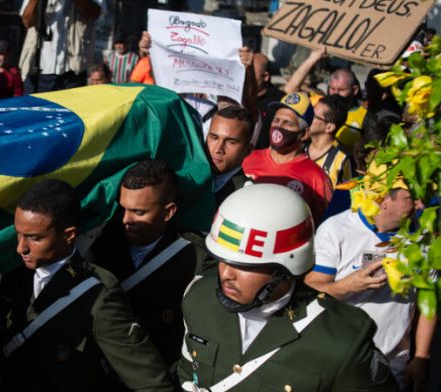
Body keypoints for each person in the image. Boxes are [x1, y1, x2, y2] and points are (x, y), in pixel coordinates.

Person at [177, 183, 399, 391]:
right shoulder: (199, 298)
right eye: (223, 260)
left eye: (245, 266)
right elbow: (189, 374)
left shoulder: (343, 341)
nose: (226, 274)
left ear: (286, 266)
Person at [0, 179, 173, 391]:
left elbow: (152, 384)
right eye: (18, 234)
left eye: (34, 238)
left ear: (68, 235)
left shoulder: (98, 295)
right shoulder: (9, 275)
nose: (21, 248)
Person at [305, 187, 436, 389]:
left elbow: (428, 301)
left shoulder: (424, 238)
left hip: (392, 364)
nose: (420, 204)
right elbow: (309, 292)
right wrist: (347, 285)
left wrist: (421, 356)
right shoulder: (337, 229)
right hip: (336, 360)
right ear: (384, 199)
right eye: (411, 198)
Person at [88, 160, 208, 367]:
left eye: (139, 212)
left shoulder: (194, 257)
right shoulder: (97, 243)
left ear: (168, 212)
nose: (126, 219)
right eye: (123, 208)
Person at [242, 92, 333, 223]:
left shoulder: (316, 178)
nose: (278, 127)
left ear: (304, 134)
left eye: (288, 123)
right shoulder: (247, 158)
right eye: (276, 120)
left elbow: (326, 226)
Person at [19, 0, 103, 94]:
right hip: (38, 71)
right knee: (34, 108)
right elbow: (27, 21)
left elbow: (94, 14)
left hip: (72, 72)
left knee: (70, 107)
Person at [205, 106, 253, 206]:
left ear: (248, 150)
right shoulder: (187, 179)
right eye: (214, 138)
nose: (218, 149)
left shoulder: (249, 196)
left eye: (231, 142)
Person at [306, 94, 353, 187]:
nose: (308, 118)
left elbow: (346, 197)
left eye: (314, 116)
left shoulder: (342, 159)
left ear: (329, 127)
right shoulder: (299, 146)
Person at [253, 53, 285, 149]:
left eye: (251, 73)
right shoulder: (237, 96)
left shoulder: (279, 103)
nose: (246, 77)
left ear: (266, 76)